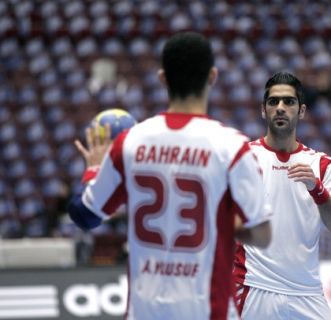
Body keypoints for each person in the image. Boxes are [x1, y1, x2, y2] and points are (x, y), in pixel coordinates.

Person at [68, 32, 272, 320]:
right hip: (206, 310)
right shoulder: (232, 147)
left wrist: (93, 169)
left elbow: (84, 215)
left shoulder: (130, 142)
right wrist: (222, 220)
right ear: (212, 76)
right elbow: (263, 235)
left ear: (162, 78)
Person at [233, 72, 331, 319]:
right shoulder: (243, 159)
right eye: (273, 102)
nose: (280, 108)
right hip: (254, 287)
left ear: (302, 110)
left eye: (288, 102)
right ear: (264, 110)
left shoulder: (322, 165)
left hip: (307, 292)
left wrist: (317, 189)